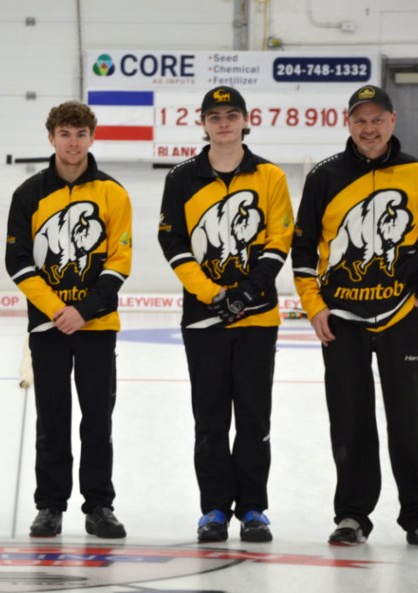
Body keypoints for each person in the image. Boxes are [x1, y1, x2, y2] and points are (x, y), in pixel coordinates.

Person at [291, 85, 418, 549]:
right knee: (350, 419)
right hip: (342, 319)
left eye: (377, 119)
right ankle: (353, 516)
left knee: (409, 419)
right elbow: (302, 248)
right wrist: (314, 304)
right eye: (360, 120)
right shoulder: (325, 176)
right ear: (348, 124)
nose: (369, 128)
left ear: (393, 121)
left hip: (402, 316)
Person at [158, 86, 294, 543]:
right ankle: (214, 509)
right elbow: (172, 242)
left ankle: (254, 508)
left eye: (231, 115)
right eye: (214, 116)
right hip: (203, 320)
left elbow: (279, 239)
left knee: (254, 418)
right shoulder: (181, 178)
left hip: (258, 319)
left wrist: (249, 291)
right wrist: (215, 295)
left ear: (244, 121)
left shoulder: (270, 176)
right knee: (211, 419)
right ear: (203, 123)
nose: (223, 123)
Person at [5, 101, 133, 538]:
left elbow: (119, 261)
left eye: (80, 134)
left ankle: (99, 506)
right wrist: (58, 310)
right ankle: (49, 506)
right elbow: (18, 260)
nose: (73, 143)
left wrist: (85, 310)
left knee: (98, 419)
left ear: (92, 138)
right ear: (51, 138)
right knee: (53, 418)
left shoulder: (113, 193)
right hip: (48, 326)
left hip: (97, 327)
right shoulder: (28, 194)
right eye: (65, 134)